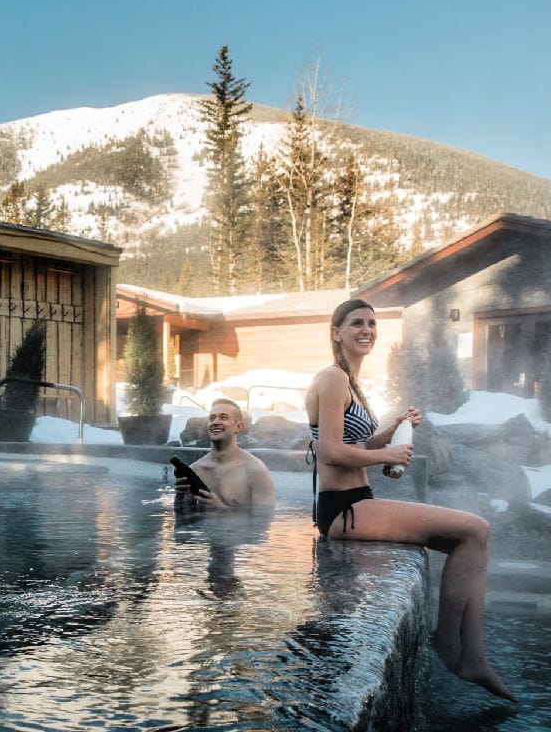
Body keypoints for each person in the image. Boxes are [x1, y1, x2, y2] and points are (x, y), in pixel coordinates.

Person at [305, 298, 516, 702]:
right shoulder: (332, 378)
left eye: (371, 323)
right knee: (475, 528)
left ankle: (472, 654)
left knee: (475, 540)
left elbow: (354, 442)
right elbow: (330, 452)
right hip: (343, 508)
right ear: (336, 332)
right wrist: (387, 455)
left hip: (356, 500)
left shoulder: (350, 382)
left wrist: (393, 431)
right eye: (356, 323)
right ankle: (447, 641)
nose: (366, 329)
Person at [175, 398, 276, 510]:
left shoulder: (255, 470)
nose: (215, 422)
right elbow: (184, 521)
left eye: (223, 417)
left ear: (238, 427)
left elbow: (263, 521)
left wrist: (222, 509)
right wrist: (179, 497)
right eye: (212, 418)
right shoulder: (196, 470)